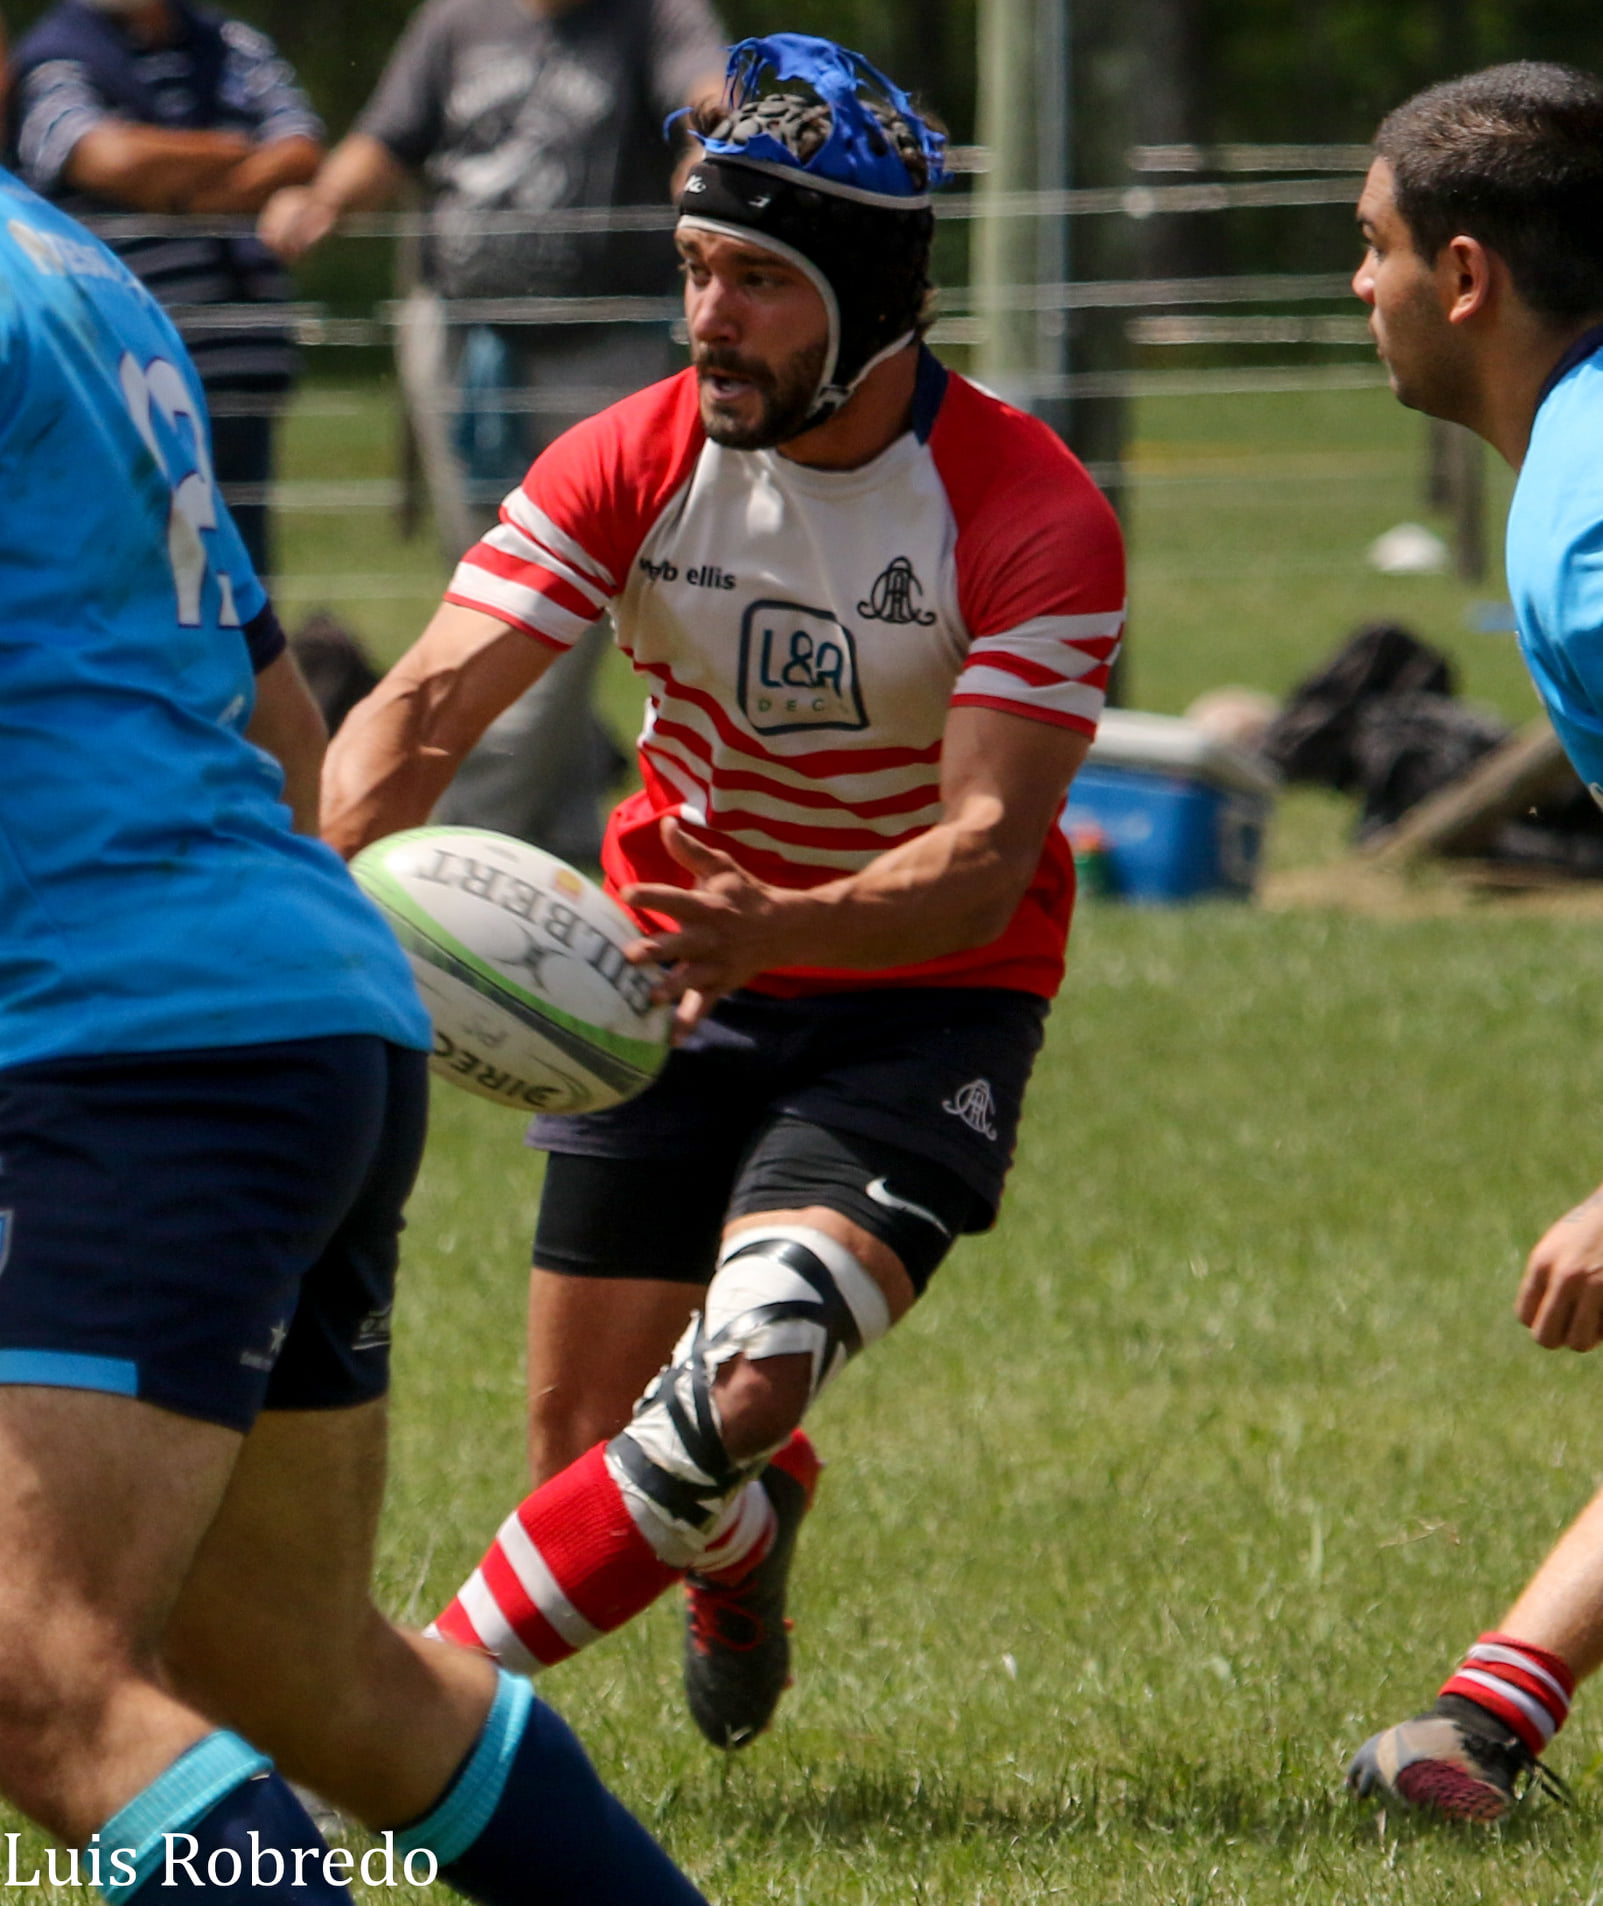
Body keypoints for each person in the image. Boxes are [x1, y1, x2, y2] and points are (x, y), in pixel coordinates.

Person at [321, 32, 1126, 1750]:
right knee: (590, 1448)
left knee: (752, 1362)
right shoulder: (633, 452)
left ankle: (402, 1722)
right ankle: (742, 1548)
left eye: (755, 279)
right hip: (666, 975)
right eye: (691, 267)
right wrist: (302, 919)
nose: (706, 318)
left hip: (930, 994)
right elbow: (420, 707)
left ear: (868, 294)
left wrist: (779, 923)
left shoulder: (1029, 510)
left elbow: (982, 857)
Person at [0, 162, 706, 1903]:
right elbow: (274, 707)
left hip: (118, 1053)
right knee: (301, 1668)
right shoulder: (73, 270)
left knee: (40, 1681)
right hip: (286, 1007)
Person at [1340, 61, 1603, 1822]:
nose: (1350, 287)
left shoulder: (1582, 530)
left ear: (1461, 275)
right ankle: (1484, 1716)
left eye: (1365, 248)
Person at [259, 0, 726, 866]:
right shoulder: (455, 21)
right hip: (464, 351)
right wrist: (320, 201)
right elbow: (389, 138)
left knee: (544, 606)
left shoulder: (655, 17)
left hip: (598, 356)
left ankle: (464, 850)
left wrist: (712, 167)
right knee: (487, 585)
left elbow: (707, 102)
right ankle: (556, 842)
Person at [8, 0, 325, 582]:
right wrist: (239, 151)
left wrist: (180, 192)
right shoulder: (53, 58)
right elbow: (109, 159)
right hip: (118, 373)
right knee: (139, 569)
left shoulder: (233, 41)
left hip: (241, 366)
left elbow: (302, 149)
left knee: (243, 573)